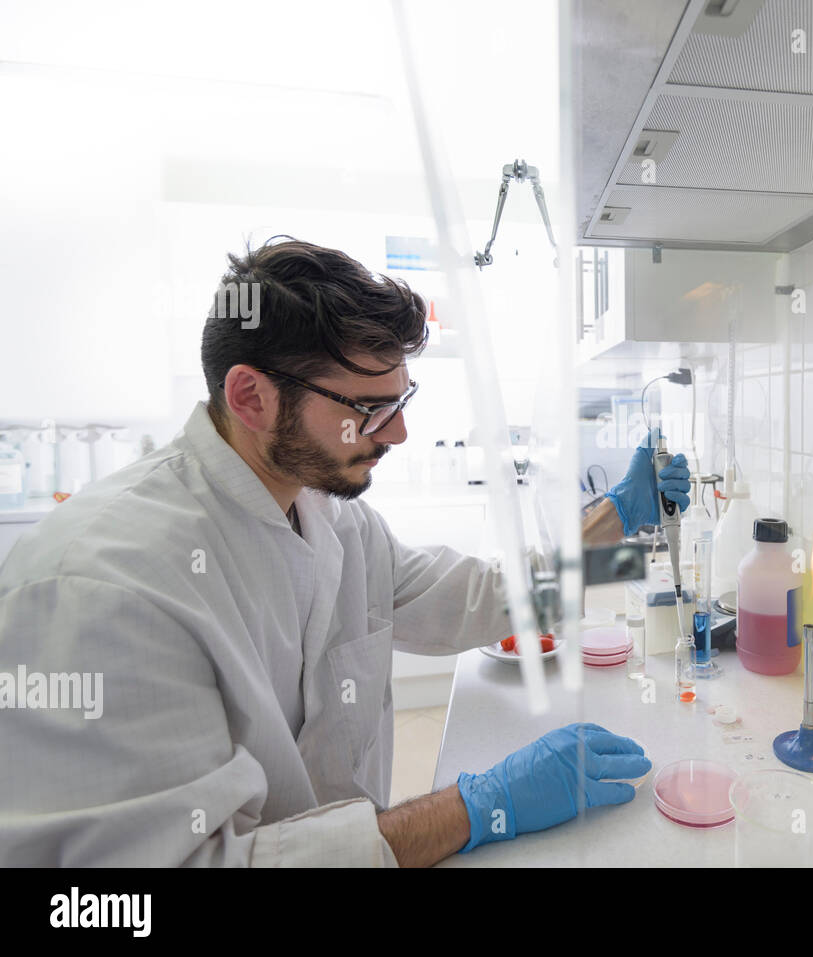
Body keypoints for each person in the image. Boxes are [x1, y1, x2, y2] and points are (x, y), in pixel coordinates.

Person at [0, 237, 687, 866]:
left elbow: (483, 596)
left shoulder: (329, 516)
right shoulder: (99, 585)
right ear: (251, 396)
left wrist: (616, 524)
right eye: (370, 406)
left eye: (402, 398)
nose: (401, 433)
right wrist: (471, 807)